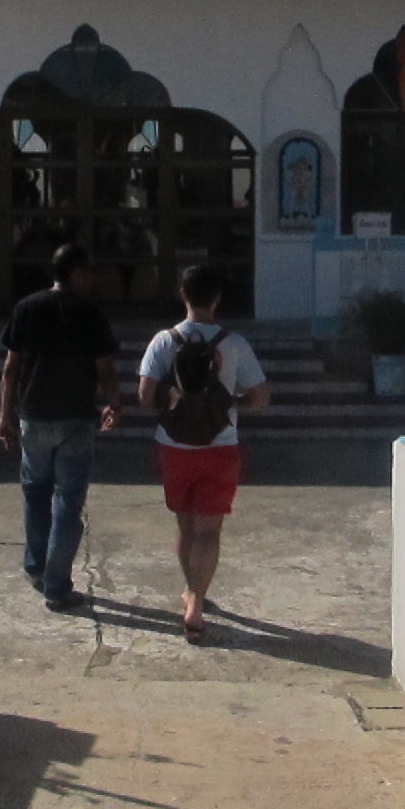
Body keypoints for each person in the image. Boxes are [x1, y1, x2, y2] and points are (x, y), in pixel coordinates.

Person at [137, 264, 270, 642]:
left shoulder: (163, 341)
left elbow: (146, 396)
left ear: (183, 294)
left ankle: (189, 591)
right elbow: (261, 399)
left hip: (174, 447)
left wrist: (177, 403)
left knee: (184, 524)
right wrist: (228, 407)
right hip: (220, 448)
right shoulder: (236, 344)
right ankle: (197, 602)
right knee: (208, 531)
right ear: (217, 298)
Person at [0, 243, 121, 612]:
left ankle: (36, 566)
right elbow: (105, 369)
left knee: (35, 494)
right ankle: (56, 585)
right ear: (74, 273)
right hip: (75, 421)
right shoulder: (90, 313)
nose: (93, 277)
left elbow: (10, 369)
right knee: (67, 503)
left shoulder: (26, 308)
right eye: (89, 271)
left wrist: (5, 414)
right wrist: (115, 403)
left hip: (34, 419)